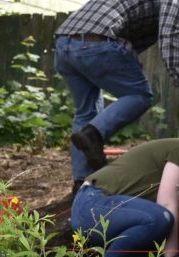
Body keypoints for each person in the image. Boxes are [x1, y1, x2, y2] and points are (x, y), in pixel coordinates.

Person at [54, 0, 179, 192]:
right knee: (140, 95)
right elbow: (169, 39)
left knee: (86, 114)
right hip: (98, 40)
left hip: (64, 43)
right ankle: (93, 134)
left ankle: (82, 184)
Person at [71, 137, 179, 257]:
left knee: (158, 228)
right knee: (160, 218)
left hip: (116, 220)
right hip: (93, 205)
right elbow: (167, 203)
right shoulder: (177, 148)